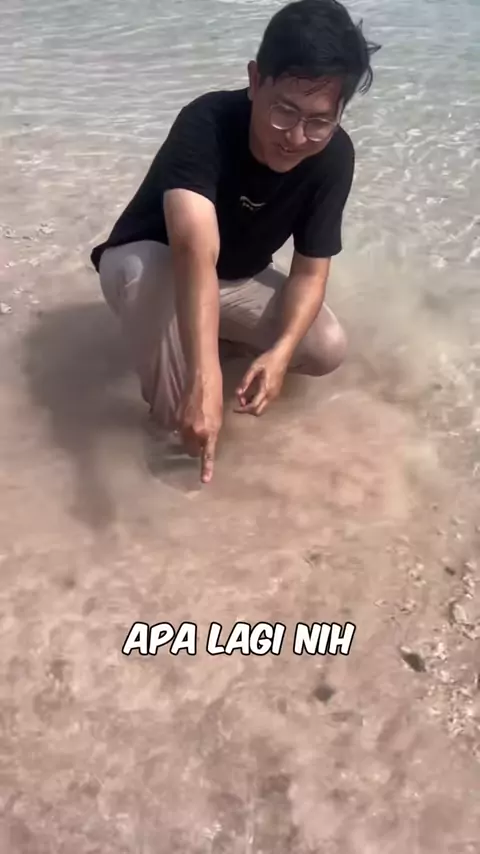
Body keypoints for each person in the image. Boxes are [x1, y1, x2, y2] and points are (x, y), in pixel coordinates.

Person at [90, 0, 379, 484]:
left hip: (232, 278)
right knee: (154, 285)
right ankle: (169, 435)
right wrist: (204, 380)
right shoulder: (206, 122)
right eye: (284, 110)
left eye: (318, 121)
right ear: (255, 79)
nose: (296, 137)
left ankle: (210, 350)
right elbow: (193, 250)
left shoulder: (333, 157)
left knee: (325, 346)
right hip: (150, 264)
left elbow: (310, 271)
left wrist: (280, 354)